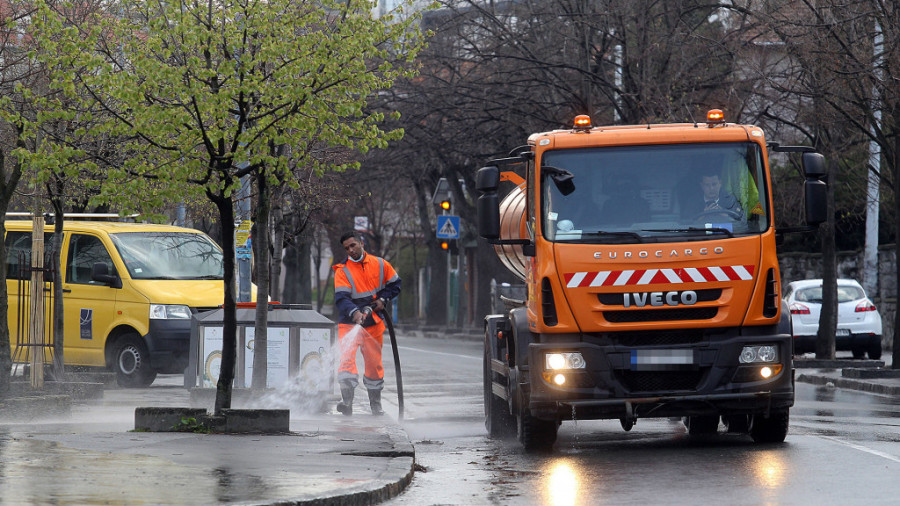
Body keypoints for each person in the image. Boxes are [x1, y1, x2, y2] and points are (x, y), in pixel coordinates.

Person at [332, 232, 401, 416]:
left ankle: (375, 405)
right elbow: (341, 298)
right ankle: (347, 403)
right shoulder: (342, 270)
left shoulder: (380, 264)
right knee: (346, 363)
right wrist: (354, 312)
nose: (351, 250)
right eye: (347, 248)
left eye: (353, 245)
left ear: (361, 243)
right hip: (349, 325)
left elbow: (395, 285)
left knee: (374, 365)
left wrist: (383, 300)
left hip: (374, 324)